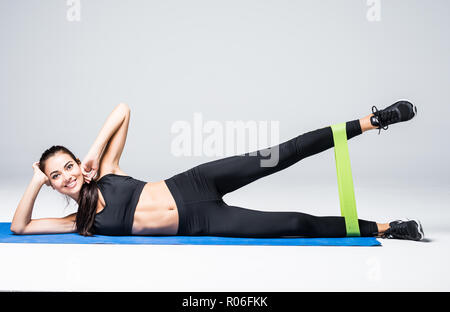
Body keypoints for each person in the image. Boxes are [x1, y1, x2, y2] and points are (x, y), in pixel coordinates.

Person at [10, 101, 424, 241]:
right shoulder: (76, 222)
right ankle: (388, 227)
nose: (67, 176)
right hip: (201, 220)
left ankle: (372, 121)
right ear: (51, 185)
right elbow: (21, 227)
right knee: (294, 223)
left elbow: (123, 109)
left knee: (282, 154)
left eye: (67, 166)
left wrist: (92, 153)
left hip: (196, 181)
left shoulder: (107, 171)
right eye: (56, 177)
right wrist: (34, 177)